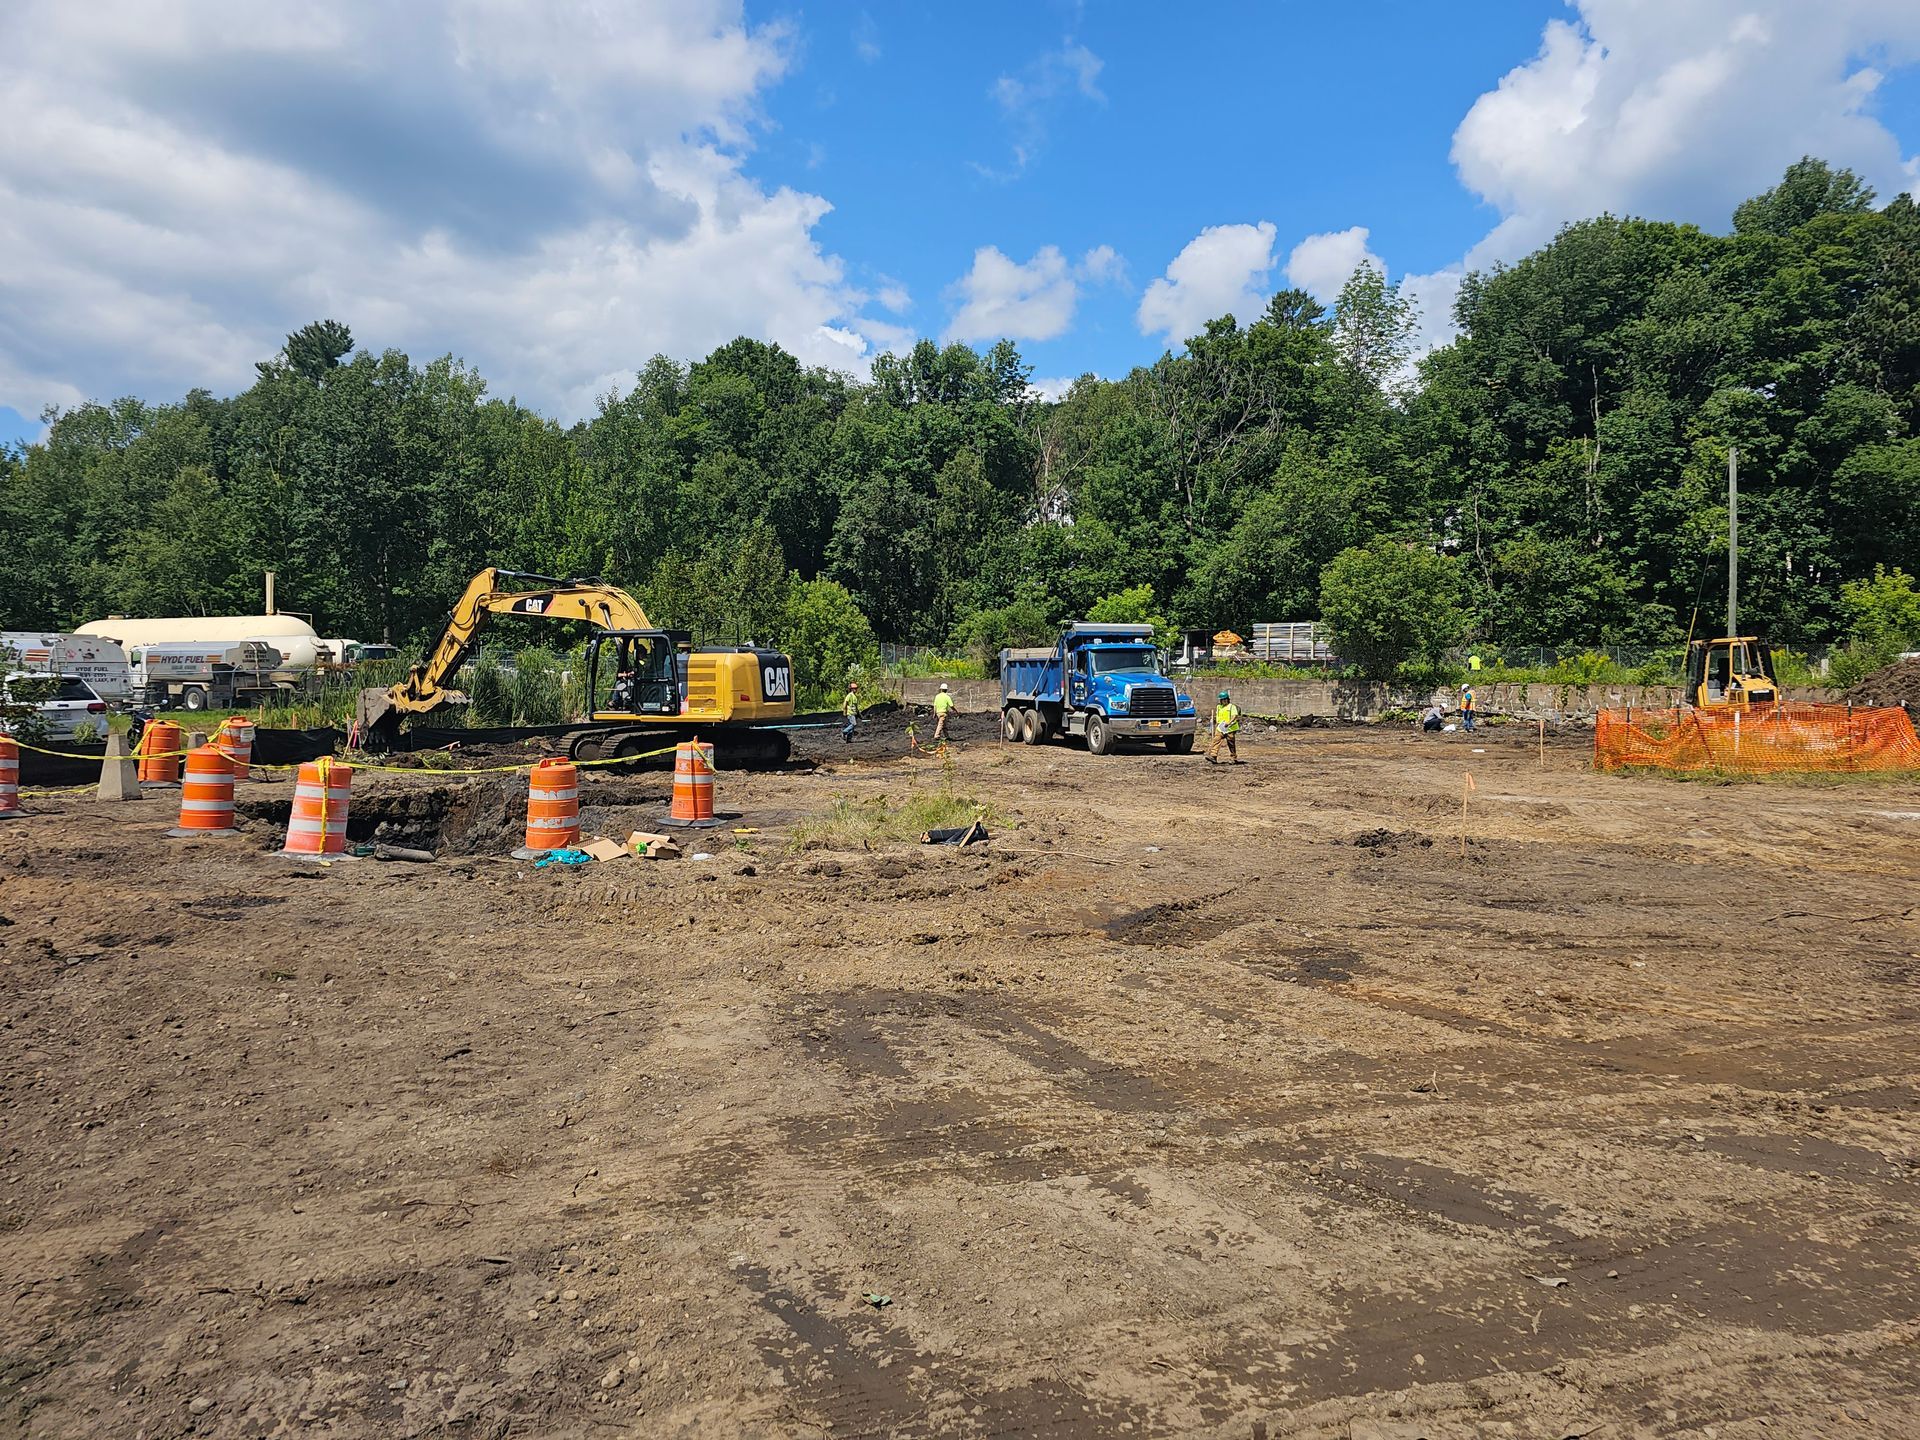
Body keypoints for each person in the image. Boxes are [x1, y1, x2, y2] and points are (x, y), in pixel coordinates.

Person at [1206, 689, 1241, 764]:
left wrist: (1229, 723)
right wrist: (1216, 724)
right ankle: (1213, 756)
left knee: (1230, 743)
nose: (1223, 701)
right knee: (1216, 740)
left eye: (1224, 699)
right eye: (1221, 700)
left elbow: (1234, 716)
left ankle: (1233, 757)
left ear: (1227, 699)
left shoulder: (1232, 707)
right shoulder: (1219, 707)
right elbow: (1218, 717)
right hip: (1221, 727)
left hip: (1230, 728)